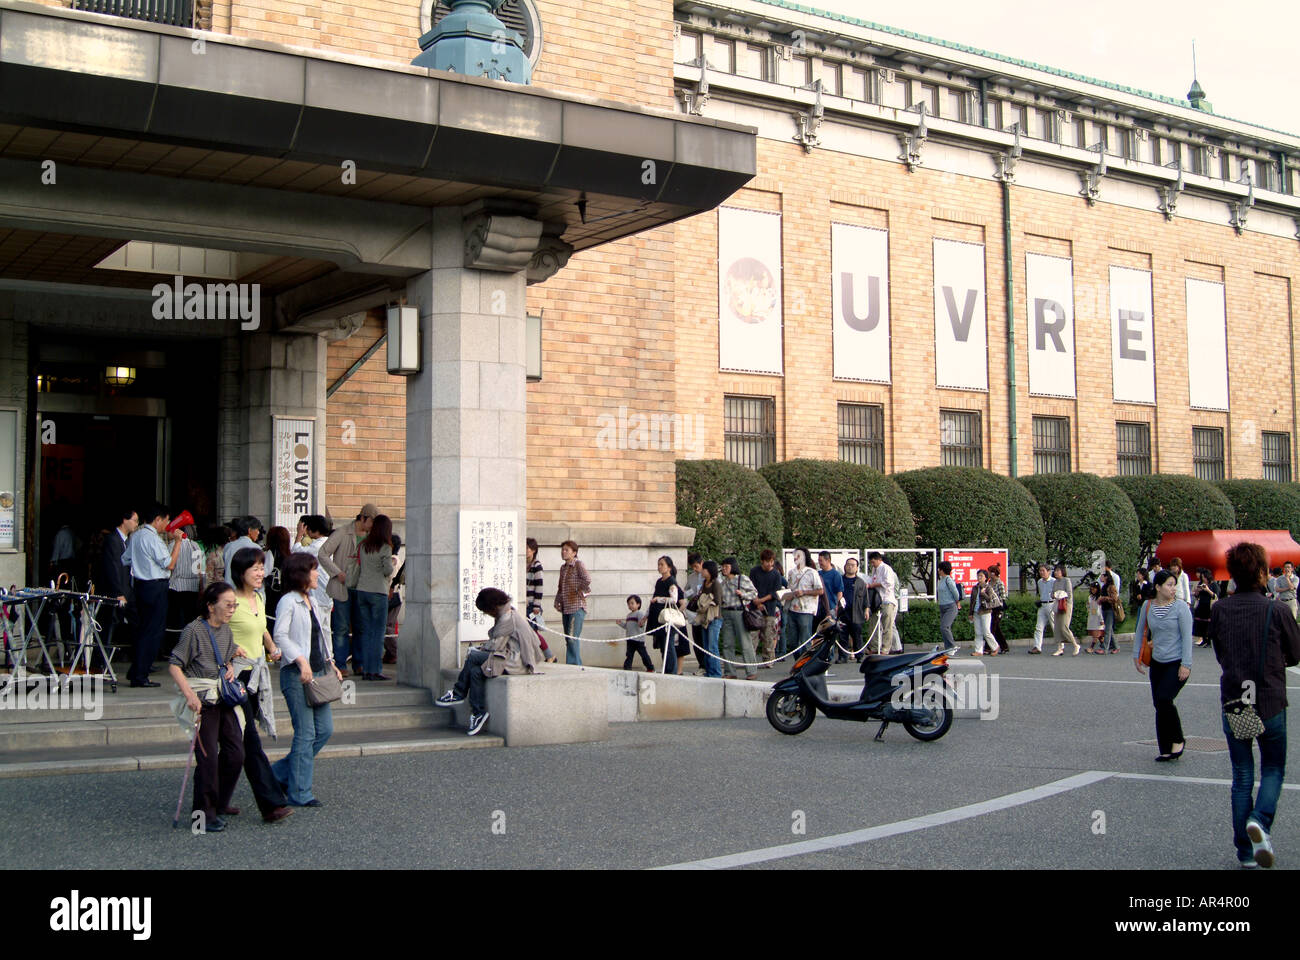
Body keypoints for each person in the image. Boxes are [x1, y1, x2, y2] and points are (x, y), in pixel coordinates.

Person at [1210, 541, 1300, 868]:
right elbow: (1296, 653)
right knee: (1273, 767)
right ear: (1262, 572)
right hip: (1270, 699)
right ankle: (1259, 821)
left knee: (1242, 775)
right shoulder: (1276, 610)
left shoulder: (1219, 609)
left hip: (1235, 699)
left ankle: (1245, 853)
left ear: (1232, 573)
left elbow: (1220, 652)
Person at [167, 582, 245, 833]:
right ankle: (203, 817)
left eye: (235, 604)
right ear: (211, 606)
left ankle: (220, 803)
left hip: (222, 698)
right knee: (208, 758)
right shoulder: (193, 630)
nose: (232, 609)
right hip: (202, 701)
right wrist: (189, 694)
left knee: (235, 753)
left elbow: (227, 654)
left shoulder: (226, 630)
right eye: (228, 605)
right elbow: (174, 664)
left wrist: (231, 665)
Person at [226, 547, 293, 825]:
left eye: (261, 567)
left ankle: (215, 799)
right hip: (235, 679)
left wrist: (272, 647)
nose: (260, 573)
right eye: (254, 568)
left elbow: (262, 627)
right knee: (249, 741)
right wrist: (231, 651)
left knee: (234, 745)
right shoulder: (228, 601)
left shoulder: (259, 597)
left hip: (257, 677)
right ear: (240, 571)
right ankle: (271, 804)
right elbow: (214, 630)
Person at [270, 552, 342, 806]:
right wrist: (300, 660)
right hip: (296, 674)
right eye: (312, 570)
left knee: (325, 729)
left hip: (319, 671)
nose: (316, 574)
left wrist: (331, 661)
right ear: (300, 573)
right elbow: (280, 636)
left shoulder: (311, 599)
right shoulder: (288, 601)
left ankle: (278, 773)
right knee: (306, 732)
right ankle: (300, 793)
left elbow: (322, 634)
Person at [434, 588, 544, 736]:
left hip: (516, 662)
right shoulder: (508, 611)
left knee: (473, 656)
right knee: (475, 672)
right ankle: (478, 713)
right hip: (511, 658)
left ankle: (458, 692)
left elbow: (495, 645)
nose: (486, 614)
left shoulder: (507, 618)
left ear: (491, 607)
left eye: (485, 610)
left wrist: (478, 649)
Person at [1133, 570, 1193, 761]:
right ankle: (1166, 748)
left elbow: (1187, 638)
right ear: (1158, 587)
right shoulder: (1148, 605)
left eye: (1174, 585)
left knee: (1164, 697)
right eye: (1169, 584)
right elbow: (1140, 630)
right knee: (1159, 703)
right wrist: (1137, 656)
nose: (1173, 588)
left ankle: (1178, 739)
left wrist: (1187, 664)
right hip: (1157, 661)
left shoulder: (1181, 608)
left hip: (1176, 662)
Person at [123, 503, 184, 687]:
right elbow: (169, 564)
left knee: (144, 630)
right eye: (166, 520)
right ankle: (140, 675)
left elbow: (125, 559)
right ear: (157, 519)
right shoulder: (153, 538)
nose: (167, 524)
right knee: (153, 631)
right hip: (156, 586)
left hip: (141, 586)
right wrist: (178, 542)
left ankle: (137, 670)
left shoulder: (136, 535)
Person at [317, 504, 376, 674]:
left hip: (363, 587)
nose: (372, 526)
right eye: (371, 521)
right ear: (363, 518)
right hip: (342, 587)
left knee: (361, 627)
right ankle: (341, 664)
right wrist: (337, 573)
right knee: (341, 627)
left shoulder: (371, 537)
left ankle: (359, 663)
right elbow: (323, 554)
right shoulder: (342, 532)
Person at [354, 514, 395, 681]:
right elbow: (387, 570)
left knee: (366, 632)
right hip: (378, 591)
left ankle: (364, 668)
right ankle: (375, 670)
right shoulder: (385, 547)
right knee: (377, 633)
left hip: (362, 590)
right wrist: (391, 563)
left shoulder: (364, 545)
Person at [95, 507, 137, 663]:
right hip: (117, 591)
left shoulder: (127, 541)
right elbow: (113, 568)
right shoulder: (113, 540)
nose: (136, 524)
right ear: (125, 520)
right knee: (108, 625)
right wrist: (118, 592)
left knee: (135, 623)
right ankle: (101, 660)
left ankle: (137, 659)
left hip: (128, 590)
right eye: (135, 520)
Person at [717, 556, 758, 680]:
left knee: (745, 642)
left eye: (727, 566)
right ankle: (730, 671)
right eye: (723, 567)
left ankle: (751, 670)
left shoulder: (742, 579)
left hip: (739, 611)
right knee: (727, 643)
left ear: (733, 567)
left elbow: (754, 593)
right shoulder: (722, 582)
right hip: (726, 611)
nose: (724, 569)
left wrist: (743, 594)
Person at [165, 523, 203, 657]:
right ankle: (190, 650)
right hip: (192, 588)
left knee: (175, 621)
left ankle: (174, 650)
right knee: (190, 620)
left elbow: (169, 566)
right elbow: (198, 571)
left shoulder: (172, 546)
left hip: (176, 586)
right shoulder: (196, 546)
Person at [554, 540, 591, 665]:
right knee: (568, 637)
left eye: (567, 550)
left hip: (577, 606)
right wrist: (557, 600)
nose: (563, 552)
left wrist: (579, 589)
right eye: (562, 550)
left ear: (574, 553)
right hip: (566, 606)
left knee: (572, 637)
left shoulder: (578, 564)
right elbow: (560, 586)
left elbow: (587, 579)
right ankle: (572, 663)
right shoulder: (563, 568)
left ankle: (575, 664)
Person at [647, 556, 685, 674]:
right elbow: (654, 597)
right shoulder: (659, 581)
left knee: (668, 645)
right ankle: (666, 669)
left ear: (669, 567)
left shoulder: (671, 581)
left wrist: (659, 599)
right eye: (659, 564)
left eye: (662, 564)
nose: (659, 567)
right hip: (658, 617)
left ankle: (671, 671)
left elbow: (674, 599)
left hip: (667, 617)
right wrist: (646, 615)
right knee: (663, 646)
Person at [784, 547, 822, 658]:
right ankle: (798, 663)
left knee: (805, 639)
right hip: (792, 608)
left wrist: (804, 592)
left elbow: (820, 590)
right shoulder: (791, 572)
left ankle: (805, 664)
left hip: (806, 609)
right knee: (792, 641)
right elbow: (789, 588)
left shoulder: (812, 572)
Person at [749, 550, 785, 666]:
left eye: (771, 561)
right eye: (767, 562)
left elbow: (776, 592)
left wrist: (762, 600)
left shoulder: (776, 574)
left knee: (769, 635)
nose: (769, 564)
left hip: (769, 608)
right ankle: (750, 659)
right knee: (753, 635)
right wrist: (757, 601)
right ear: (762, 561)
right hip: (755, 608)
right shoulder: (754, 571)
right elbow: (751, 587)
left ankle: (768, 660)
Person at [863, 552, 901, 654]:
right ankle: (874, 647)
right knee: (874, 623)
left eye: (873, 562)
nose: (872, 564)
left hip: (887, 599)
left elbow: (887, 583)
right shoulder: (874, 570)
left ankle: (885, 648)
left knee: (887, 625)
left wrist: (872, 585)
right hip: (876, 600)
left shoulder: (886, 568)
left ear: (879, 559)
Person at [694, 560, 724, 677]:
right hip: (705, 617)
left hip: (714, 617)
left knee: (712, 646)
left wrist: (706, 602)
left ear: (710, 571)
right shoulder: (704, 583)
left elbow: (718, 600)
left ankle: (716, 672)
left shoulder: (716, 584)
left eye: (704, 569)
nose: (702, 571)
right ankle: (709, 670)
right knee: (706, 646)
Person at [839, 556, 868, 662]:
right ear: (845, 566)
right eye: (848, 565)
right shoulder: (840, 580)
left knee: (857, 635)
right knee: (842, 635)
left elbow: (865, 597)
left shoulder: (860, 582)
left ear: (856, 568)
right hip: (842, 612)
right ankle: (842, 657)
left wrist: (867, 609)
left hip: (856, 612)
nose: (850, 567)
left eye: (853, 565)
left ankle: (859, 656)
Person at [262, 525, 292, 625]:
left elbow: (265, 573)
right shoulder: (289, 555)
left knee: (272, 620)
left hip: (273, 593)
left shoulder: (271, 553)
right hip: (286, 592)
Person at [222, 516, 265, 587]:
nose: (258, 533)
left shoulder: (228, 546)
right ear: (249, 530)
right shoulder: (256, 548)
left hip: (229, 588)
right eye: (257, 529)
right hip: (247, 591)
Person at [1050, 563, 1080, 656]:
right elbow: (1052, 594)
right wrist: (1055, 595)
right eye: (1055, 571)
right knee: (1057, 627)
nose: (1056, 572)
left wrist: (1062, 595)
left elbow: (1069, 594)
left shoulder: (1067, 580)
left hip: (1066, 605)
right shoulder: (1055, 582)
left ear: (1062, 572)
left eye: (1058, 571)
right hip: (1057, 605)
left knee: (1064, 626)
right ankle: (1060, 648)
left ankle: (1075, 645)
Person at [620, 595, 653, 672]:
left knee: (643, 655)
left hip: (638, 640)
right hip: (630, 639)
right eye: (628, 604)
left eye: (632, 603)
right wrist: (620, 623)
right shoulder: (628, 615)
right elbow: (627, 626)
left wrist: (641, 623)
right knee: (629, 655)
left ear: (638, 604)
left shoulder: (639, 613)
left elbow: (641, 624)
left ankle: (650, 667)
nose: (630, 605)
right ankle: (627, 668)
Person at [969, 569, 997, 656]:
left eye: (981, 576)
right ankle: (978, 650)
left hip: (985, 611)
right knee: (978, 632)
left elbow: (990, 599)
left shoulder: (988, 587)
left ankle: (995, 647)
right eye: (978, 576)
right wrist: (970, 613)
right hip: (976, 611)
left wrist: (983, 593)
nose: (979, 577)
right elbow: (972, 601)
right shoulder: (975, 588)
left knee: (986, 631)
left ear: (985, 578)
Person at [936, 560, 960, 651]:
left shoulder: (948, 580)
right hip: (942, 606)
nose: (938, 570)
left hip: (950, 606)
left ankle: (952, 646)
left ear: (942, 570)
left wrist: (957, 601)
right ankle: (948, 648)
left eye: (939, 569)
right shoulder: (941, 580)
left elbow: (955, 592)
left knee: (944, 626)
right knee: (945, 628)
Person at [1029, 564, 1053, 654]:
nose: (1041, 572)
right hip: (1042, 605)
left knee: (1054, 626)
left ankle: (1060, 646)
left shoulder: (1053, 581)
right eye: (1040, 571)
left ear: (1049, 571)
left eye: (1043, 571)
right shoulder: (1039, 582)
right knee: (1039, 627)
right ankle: (1037, 646)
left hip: (1051, 604)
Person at [987, 562, 1010, 654]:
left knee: (993, 628)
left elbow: (1003, 596)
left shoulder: (999, 583)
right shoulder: (989, 582)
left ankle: (989, 647)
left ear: (993, 573)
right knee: (995, 629)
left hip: (998, 607)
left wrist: (1000, 606)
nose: (988, 574)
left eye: (989, 572)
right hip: (990, 607)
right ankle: (1004, 646)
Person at [1096, 572, 1121, 654]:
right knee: (1109, 629)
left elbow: (1114, 598)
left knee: (1107, 629)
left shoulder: (1111, 587)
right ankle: (1116, 647)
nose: (1100, 577)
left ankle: (1104, 648)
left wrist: (1104, 598)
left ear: (1106, 577)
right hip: (1104, 608)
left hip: (1110, 609)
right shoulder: (1103, 587)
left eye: (1102, 576)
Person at [816, 551, 844, 625]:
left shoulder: (836, 574)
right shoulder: (818, 573)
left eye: (821, 561)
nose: (819, 563)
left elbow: (839, 591)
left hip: (831, 607)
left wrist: (837, 606)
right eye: (818, 560)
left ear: (828, 560)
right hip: (818, 607)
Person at [1193, 567, 1217, 648]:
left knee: (1208, 624)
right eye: (1202, 578)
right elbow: (1196, 596)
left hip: (1209, 606)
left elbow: (1215, 595)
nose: (1203, 579)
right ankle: (1203, 639)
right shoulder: (1201, 584)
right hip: (1201, 606)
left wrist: (1207, 590)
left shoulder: (1213, 584)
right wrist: (1197, 591)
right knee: (1201, 624)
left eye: (1204, 578)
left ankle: (1208, 641)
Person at [1085, 582, 1104, 654]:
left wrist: (1102, 619)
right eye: (1092, 588)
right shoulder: (1090, 597)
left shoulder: (1100, 598)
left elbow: (1100, 609)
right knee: (1099, 635)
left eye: (1095, 589)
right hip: (1092, 617)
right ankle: (1104, 645)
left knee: (1096, 633)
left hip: (1098, 618)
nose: (1093, 590)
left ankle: (1091, 647)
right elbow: (1089, 607)